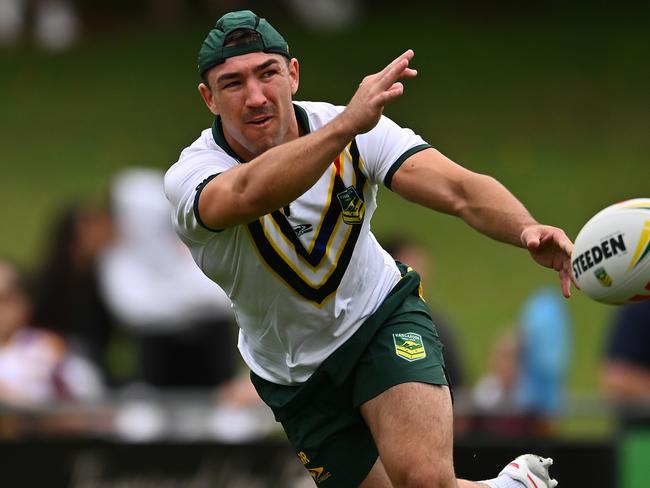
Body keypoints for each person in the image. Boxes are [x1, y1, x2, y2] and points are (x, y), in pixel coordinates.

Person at [164, 10, 572, 487]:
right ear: (208, 98)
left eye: (267, 73)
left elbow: (459, 189)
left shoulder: (357, 130)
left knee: (423, 481)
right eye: (232, 83)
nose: (255, 96)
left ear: (292, 74)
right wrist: (344, 128)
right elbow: (247, 194)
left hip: (379, 319)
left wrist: (525, 229)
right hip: (294, 377)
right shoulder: (191, 176)